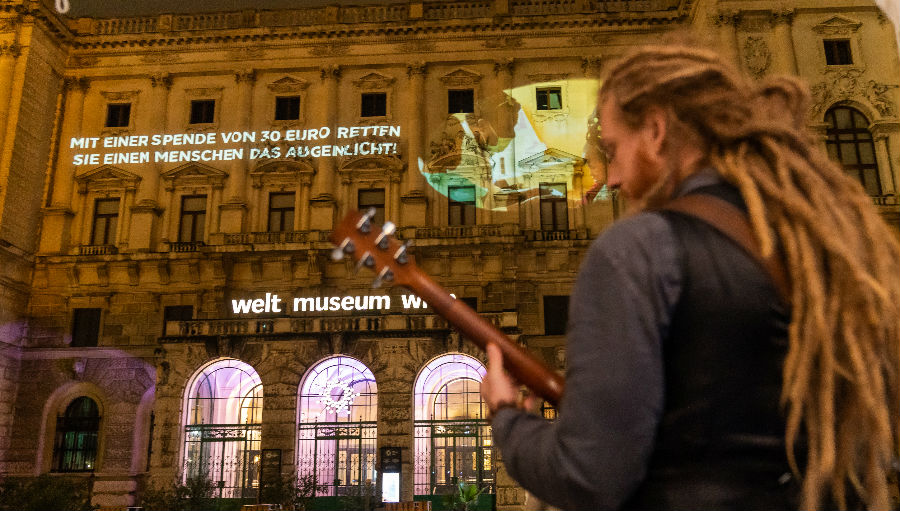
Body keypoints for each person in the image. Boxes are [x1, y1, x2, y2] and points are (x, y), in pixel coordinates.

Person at [481, 43, 900, 511]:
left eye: (614, 150)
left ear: (657, 131)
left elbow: (588, 476)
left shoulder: (638, 248)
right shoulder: (821, 245)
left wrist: (508, 419)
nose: (612, 179)